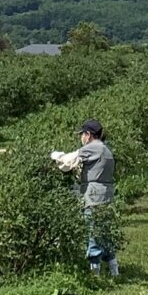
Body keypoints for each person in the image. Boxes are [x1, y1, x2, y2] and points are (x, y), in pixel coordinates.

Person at [52, 119, 119, 278]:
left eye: (82, 134)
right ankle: (114, 270)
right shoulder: (105, 149)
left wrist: (55, 155)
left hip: (94, 196)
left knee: (93, 231)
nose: (81, 137)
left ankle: (94, 273)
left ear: (88, 135)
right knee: (105, 231)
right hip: (106, 193)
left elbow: (68, 162)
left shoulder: (92, 148)